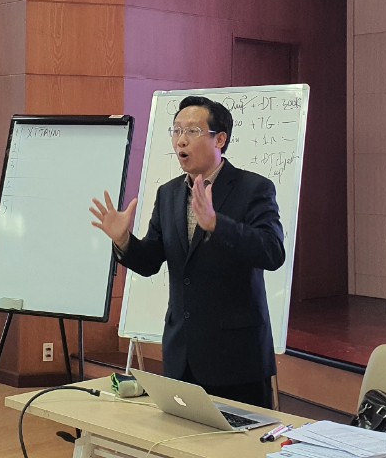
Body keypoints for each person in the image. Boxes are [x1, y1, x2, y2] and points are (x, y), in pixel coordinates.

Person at [90, 96, 285, 408]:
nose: (181, 140)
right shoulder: (169, 193)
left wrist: (217, 225)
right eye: (177, 130)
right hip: (181, 356)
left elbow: (272, 252)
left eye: (192, 131)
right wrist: (124, 240)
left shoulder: (253, 188)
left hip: (236, 359)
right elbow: (150, 261)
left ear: (220, 139)